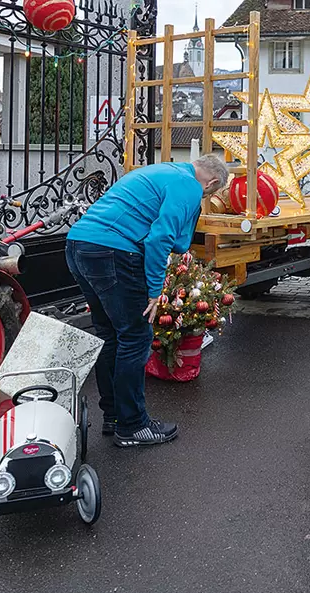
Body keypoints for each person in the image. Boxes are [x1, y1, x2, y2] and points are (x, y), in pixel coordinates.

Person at [65, 155, 229, 448]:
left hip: (79, 244)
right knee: (136, 336)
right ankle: (133, 426)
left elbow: (177, 241)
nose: (206, 198)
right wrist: (155, 291)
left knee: (110, 336)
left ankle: (114, 416)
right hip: (113, 251)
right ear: (213, 182)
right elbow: (160, 240)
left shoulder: (165, 172)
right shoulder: (189, 186)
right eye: (211, 194)